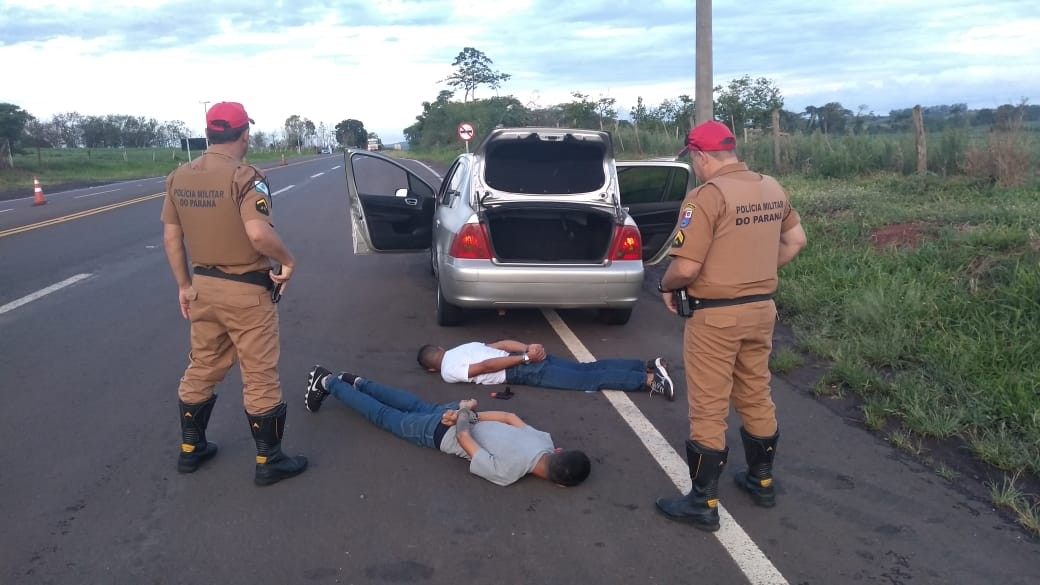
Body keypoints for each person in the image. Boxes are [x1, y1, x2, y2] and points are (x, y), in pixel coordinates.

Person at [654, 121, 808, 531]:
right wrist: (752, 271)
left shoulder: (706, 197)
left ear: (701, 155)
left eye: (694, 161)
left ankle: (703, 503)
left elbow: (685, 267)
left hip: (716, 316)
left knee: (708, 405)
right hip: (762, 310)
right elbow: (796, 242)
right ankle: (762, 481)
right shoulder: (772, 187)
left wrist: (664, 285)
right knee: (756, 392)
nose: (696, 167)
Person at [162, 101, 307, 486]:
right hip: (246, 293)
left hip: (203, 288)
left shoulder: (178, 177)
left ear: (209, 134)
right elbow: (258, 233)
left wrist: (184, 286)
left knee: (203, 366)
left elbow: (172, 238)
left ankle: (191, 449)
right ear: (244, 135)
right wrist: (288, 260)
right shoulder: (246, 176)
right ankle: (269, 459)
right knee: (259, 375)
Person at [304, 365, 592, 487]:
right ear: (559, 485)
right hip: (441, 432)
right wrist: (464, 416)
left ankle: (356, 381)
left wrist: (466, 412)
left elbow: (509, 418)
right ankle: (328, 381)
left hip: (454, 416)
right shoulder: (508, 474)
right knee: (384, 416)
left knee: (415, 404)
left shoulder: (543, 441)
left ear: (559, 451)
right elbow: (465, 439)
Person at [416, 340, 676, 400]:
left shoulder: (447, 371)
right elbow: (501, 343)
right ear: (440, 348)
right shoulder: (462, 347)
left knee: (589, 380)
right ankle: (646, 365)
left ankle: (651, 380)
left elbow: (485, 367)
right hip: (526, 357)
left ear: (431, 369)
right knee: (587, 369)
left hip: (521, 369)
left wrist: (524, 359)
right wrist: (528, 348)